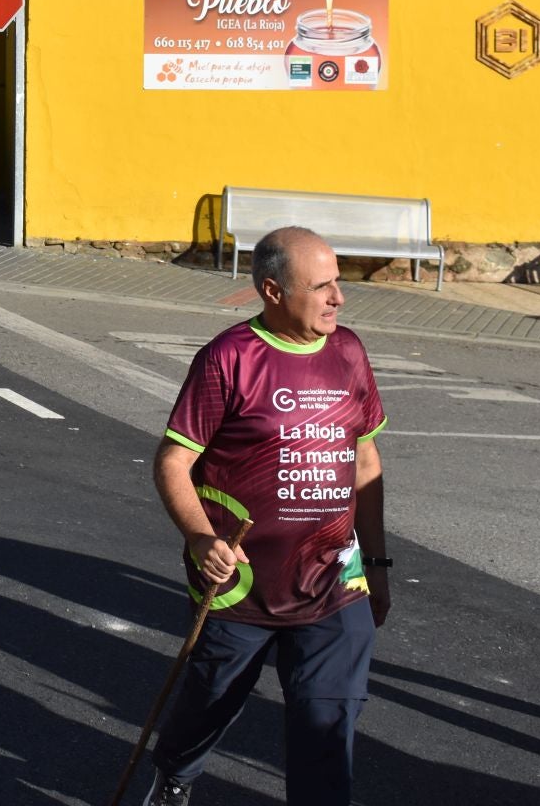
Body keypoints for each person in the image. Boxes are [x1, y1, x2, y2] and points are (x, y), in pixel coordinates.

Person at [147, 226, 389, 806]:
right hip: (241, 584)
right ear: (274, 292)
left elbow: (365, 460)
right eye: (322, 286)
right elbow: (173, 462)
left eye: (338, 283)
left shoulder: (349, 351)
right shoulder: (229, 358)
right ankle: (176, 774)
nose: (339, 298)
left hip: (335, 583)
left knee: (326, 725)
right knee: (211, 699)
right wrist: (202, 540)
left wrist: (377, 564)